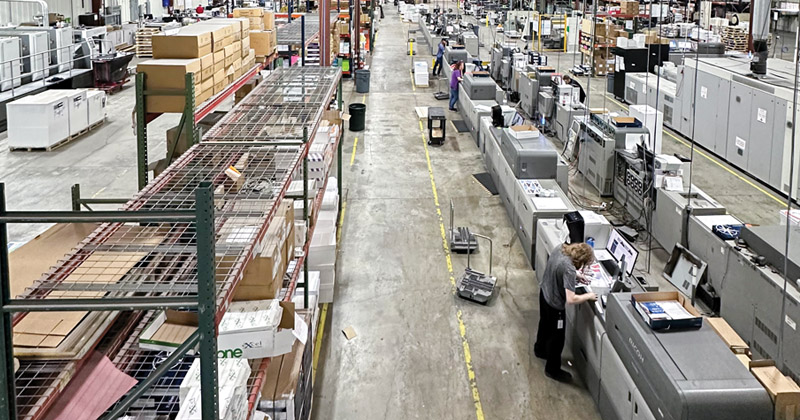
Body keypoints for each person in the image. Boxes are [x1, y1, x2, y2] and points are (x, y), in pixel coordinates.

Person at [534, 242, 597, 382]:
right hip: (555, 306)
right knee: (557, 339)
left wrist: (576, 275)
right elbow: (571, 299)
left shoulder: (560, 248)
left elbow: (559, 269)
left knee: (544, 324)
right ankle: (552, 369)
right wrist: (589, 296)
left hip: (544, 293)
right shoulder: (568, 268)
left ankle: (540, 350)